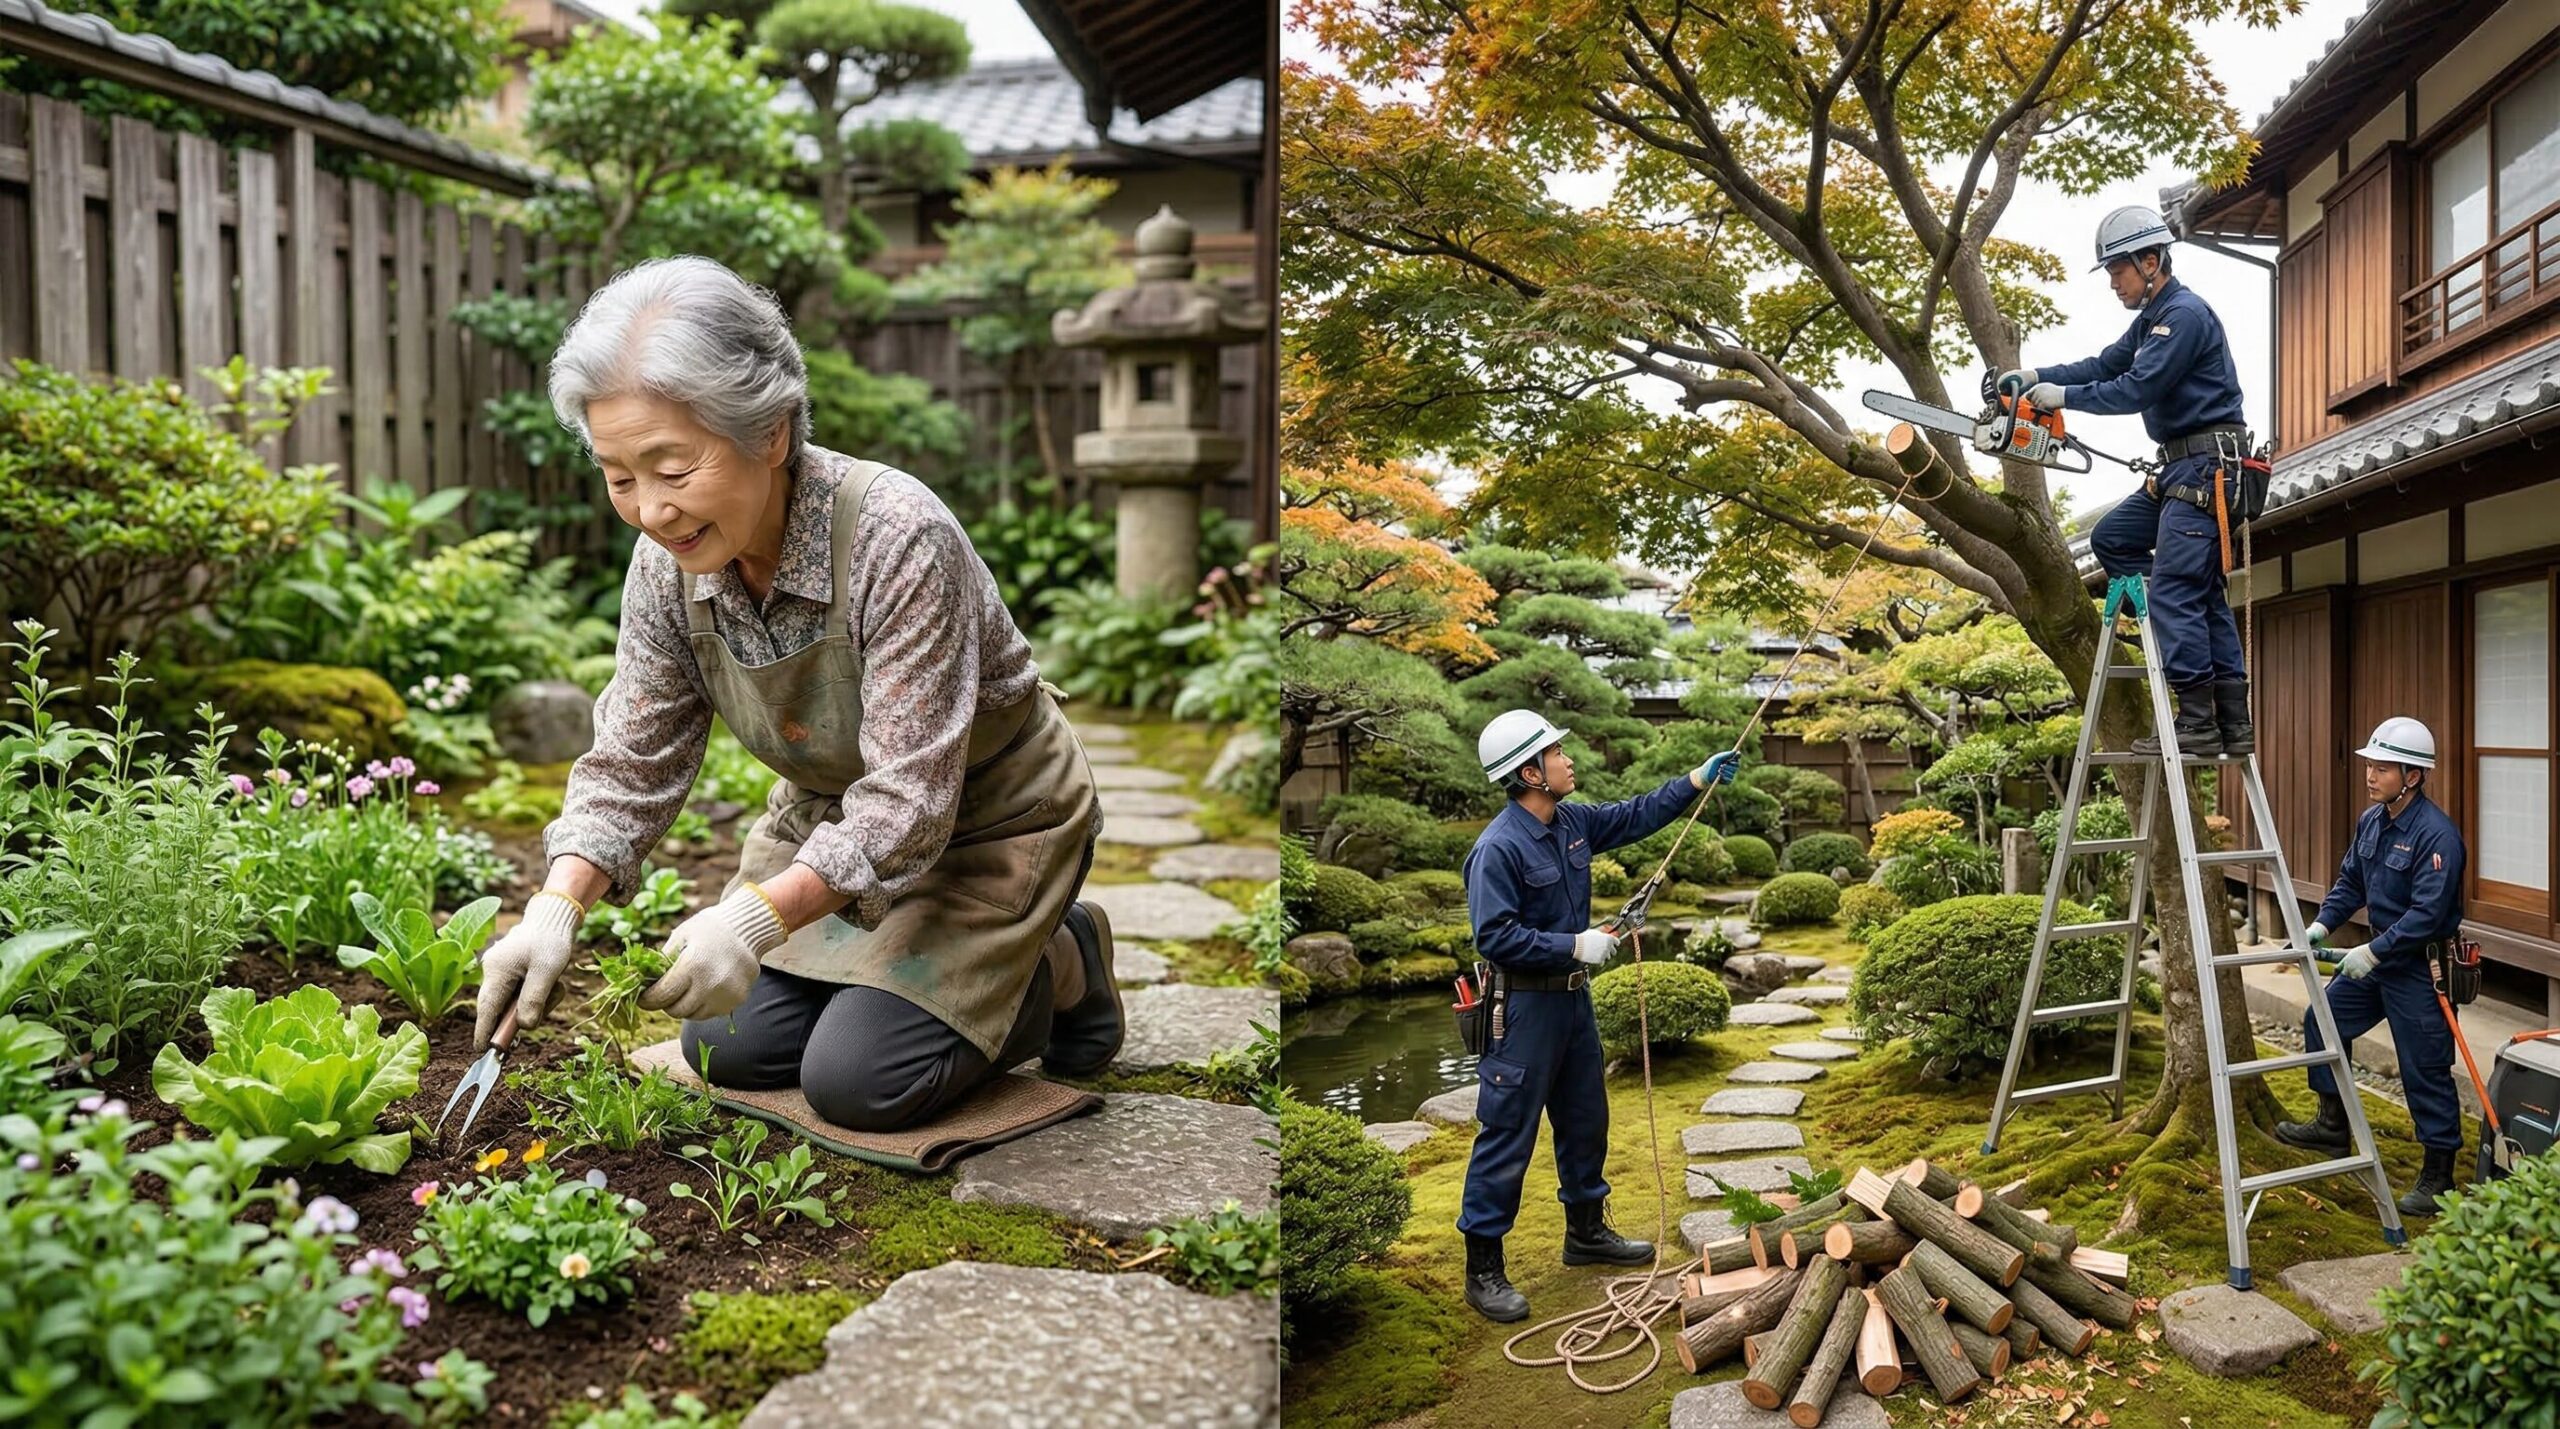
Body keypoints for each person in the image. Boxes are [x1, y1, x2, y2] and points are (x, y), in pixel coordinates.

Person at [469, 255, 1119, 1133]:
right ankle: (890, 986)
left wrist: (753, 920)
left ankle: (1063, 957)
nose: (651, 509)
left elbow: (908, 804)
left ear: (769, 432)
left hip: (989, 820)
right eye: (620, 477)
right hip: (829, 824)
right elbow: (633, 756)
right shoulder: (668, 567)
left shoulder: (899, 535)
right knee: (721, 1046)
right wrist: (553, 907)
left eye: (672, 466)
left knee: (860, 1080)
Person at [1455, 708, 1741, 1322]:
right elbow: (1494, 937)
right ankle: (1483, 1270)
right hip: (1521, 1009)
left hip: (1572, 1004)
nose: (1568, 759)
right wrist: (1575, 944)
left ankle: (1586, 1233)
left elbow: (1633, 815)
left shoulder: (1571, 822)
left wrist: (1695, 778)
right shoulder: (1497, 849)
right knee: (1507, 1134)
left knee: (1587, 1118)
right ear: (1530, 772)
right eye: (1557, 753)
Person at [1997, 206, 2252, 758]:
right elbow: (2106, 363)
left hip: (2207, 468)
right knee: (2117, 539)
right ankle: (2227, 713)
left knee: (2179, 590)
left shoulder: (2183, 315)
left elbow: (2136, 387)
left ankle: (2199, 721)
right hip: (2180, 467)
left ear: (2151, 261)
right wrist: (2040, 377)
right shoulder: (2151, 318)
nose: (2113, 282)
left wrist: (2065, 400)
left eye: (2118, 270)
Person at [2275, 718, 2468, 1215]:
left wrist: (2373, 952)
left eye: (2382, 768)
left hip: (2421, 969)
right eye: (2370, 765)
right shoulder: (2371, 822)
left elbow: (2427, 915)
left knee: (2423, 1066)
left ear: (2413, 776)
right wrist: (2321, 926)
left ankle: (2439, 1175)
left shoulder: (2437, 837)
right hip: (2377, 961)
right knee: (2323, 1018)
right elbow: (2350, 884)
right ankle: (2332, 1124)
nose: (2370, 775)